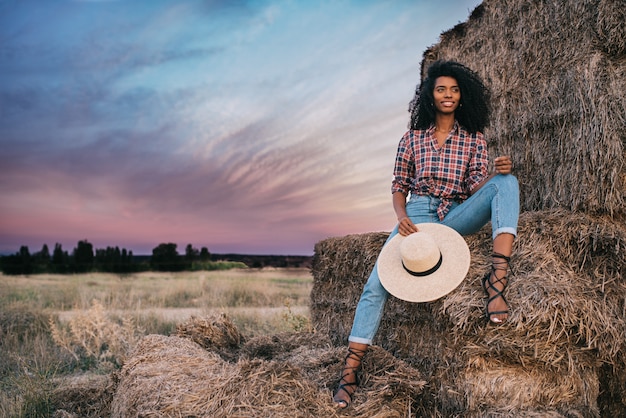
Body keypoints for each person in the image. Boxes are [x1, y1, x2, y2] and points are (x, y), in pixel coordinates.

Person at [332, 60, 520, 409]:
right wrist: (401, 217)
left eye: (454, 89)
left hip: (456, 215)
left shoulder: (474, 140)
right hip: (417, 215)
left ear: (462, 96)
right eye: (440, 89)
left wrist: (493, 173)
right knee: (375, 285)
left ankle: (497, 282)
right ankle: (349, 374)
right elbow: (398, 186)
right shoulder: (412, 139)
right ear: (430, 97)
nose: (447, 95)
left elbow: (471, 188)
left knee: (507, 182)